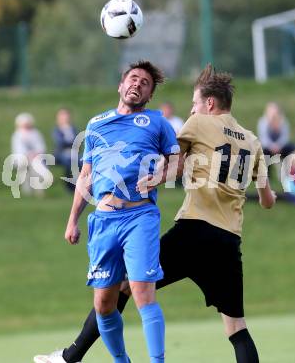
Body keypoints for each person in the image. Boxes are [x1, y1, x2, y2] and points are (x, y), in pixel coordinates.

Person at [34, 64, 276, 363]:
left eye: (194, 103)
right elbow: (266, 201)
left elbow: (169, 156)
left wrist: (151, 175)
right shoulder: (252, 140)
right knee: (236, 327)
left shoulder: (199, 124)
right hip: (228, 241)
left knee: (123, 287)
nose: (191, 109)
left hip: (194, 229)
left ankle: (71, 356)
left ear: (209, 104)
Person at [39, 61, 179, 363]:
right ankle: (121, 361)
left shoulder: (157, 123)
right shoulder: (96, 124)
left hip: (140, 217)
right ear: (121, 85)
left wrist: (160, 176)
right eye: (133, 79)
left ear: (149, 95)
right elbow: (86, 176)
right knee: (104, 303)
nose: (137, 84)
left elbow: (177, 162)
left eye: (145, 83)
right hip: (103, 220)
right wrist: (72, 220)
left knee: (142, 293)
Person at [11, 112, 51, 197]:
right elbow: (18, 150)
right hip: (22, 159)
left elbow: (41, 147)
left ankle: (39, 190)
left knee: (37, 167)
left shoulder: (36, 133)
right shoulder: (17, 135)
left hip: (35, 158)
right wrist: (29, 155)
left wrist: (35, 154)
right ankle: (27, 191)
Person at [52, 108, 80, 191]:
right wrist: (71, 143)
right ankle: (70, 185)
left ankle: (82, 184)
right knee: (68, 161)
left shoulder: (73, 129)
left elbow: (78, 142)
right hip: (61, 154)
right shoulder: (57, 130)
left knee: (84, 161)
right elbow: (60, 143)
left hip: (74, 153)